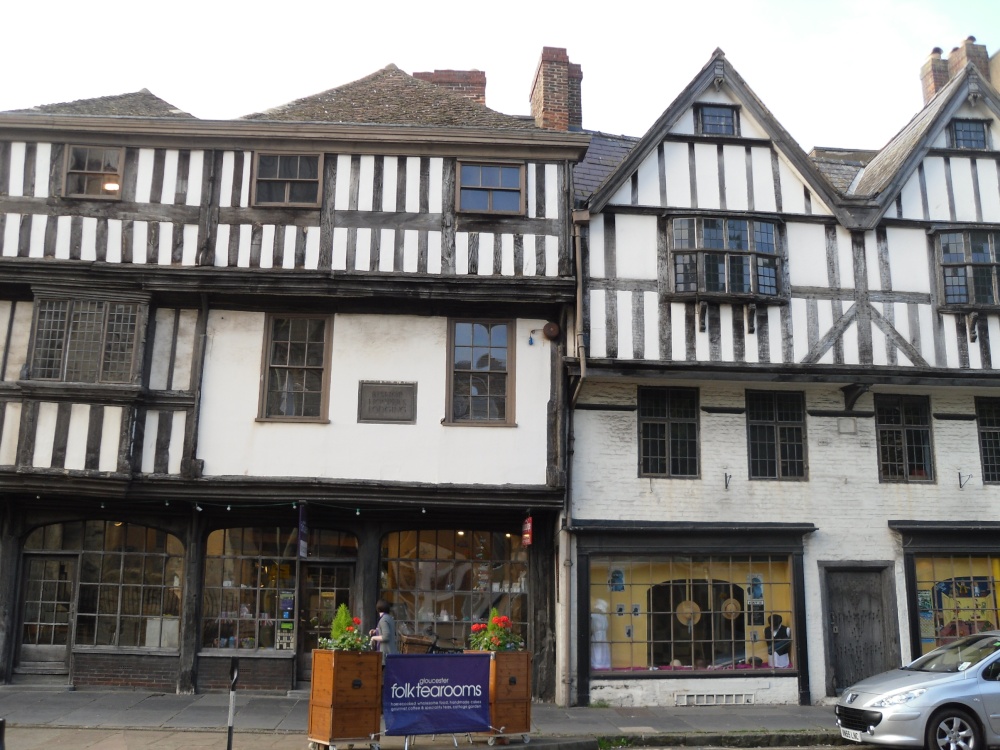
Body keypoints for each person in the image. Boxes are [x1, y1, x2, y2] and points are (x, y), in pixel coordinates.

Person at [591, 599, 611, 670]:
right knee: (600, 650)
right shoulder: (603, 617)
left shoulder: (594, 616)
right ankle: (601, 664)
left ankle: (599, 664)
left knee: (598, 650)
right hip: (600, 635)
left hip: (597, 635)